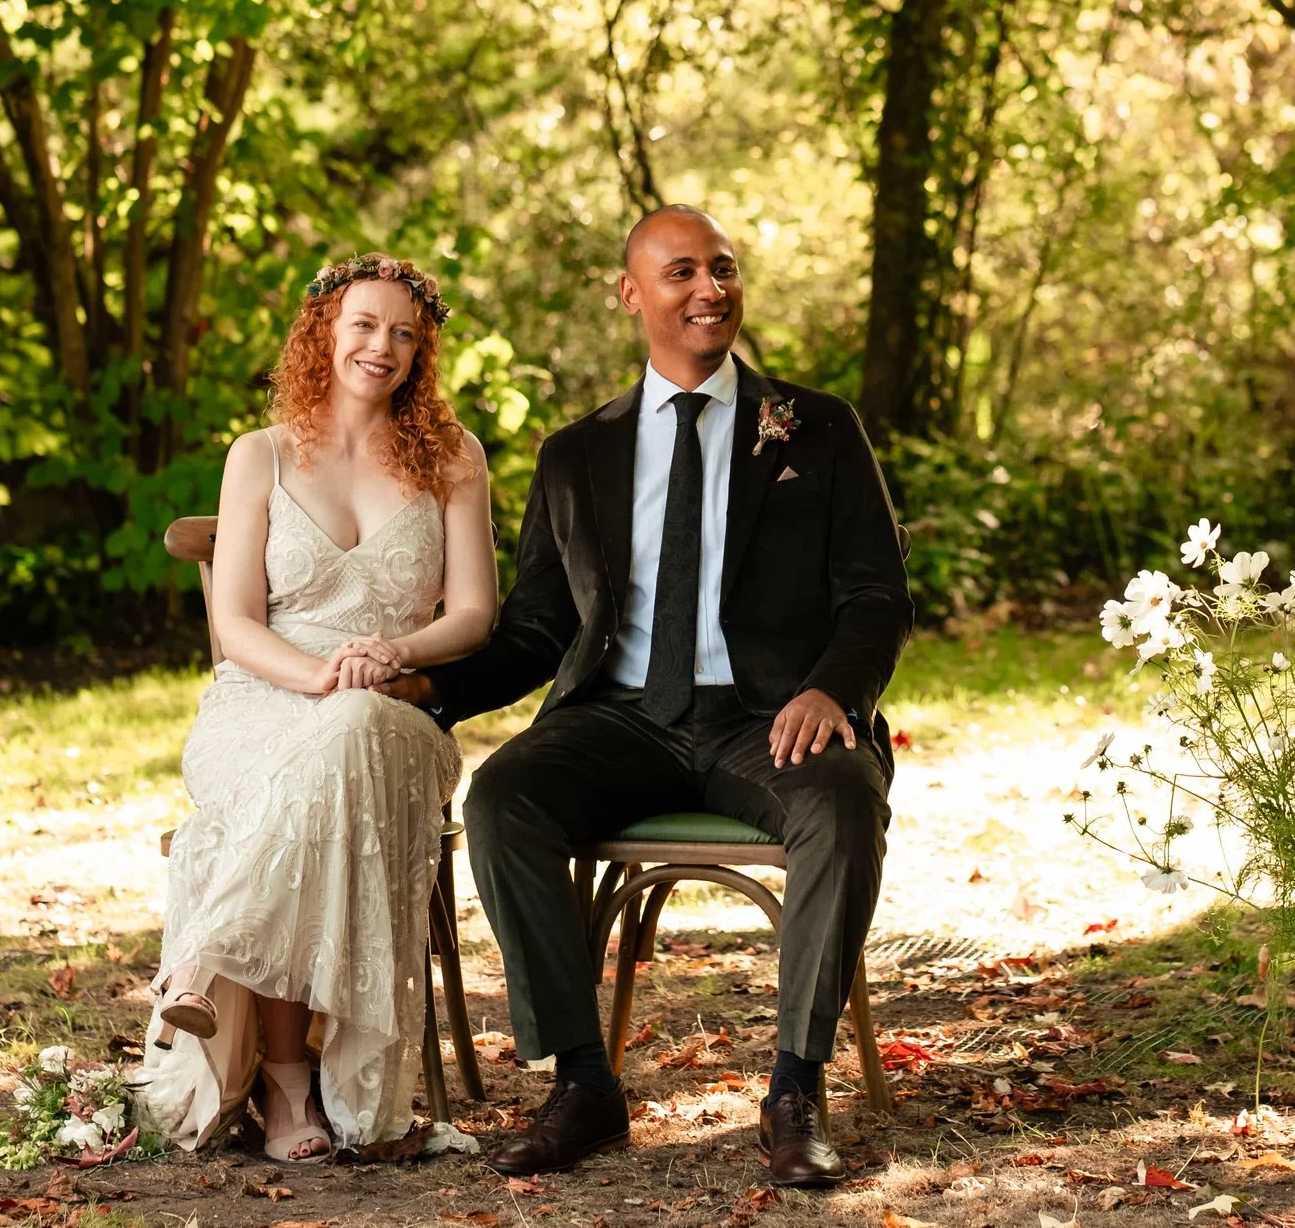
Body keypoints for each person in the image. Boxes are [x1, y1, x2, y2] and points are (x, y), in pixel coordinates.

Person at [388, 205, 910, 1187]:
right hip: (618, 719)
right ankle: (584, 1082)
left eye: (722, 267)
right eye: (681, 271)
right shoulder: (575, 454)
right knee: (507, 798)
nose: (708, 287)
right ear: (633, 294)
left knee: (842, 802)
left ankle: (794, 1089)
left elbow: (876, 593)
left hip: (769, 721)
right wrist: (434, 687)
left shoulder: (817, 426)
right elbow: (543, 627)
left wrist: (832, 688)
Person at [135, 254, 498, 1161]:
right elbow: (235, 621)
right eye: (365, 325)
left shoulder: (453, 455)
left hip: (393, 710)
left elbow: (475, 613)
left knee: (352, 729)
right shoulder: (258, 455)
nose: (384, 347)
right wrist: (315, 676)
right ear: (324, 333)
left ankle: (210, 964)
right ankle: (289, 1085)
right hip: (262, 701)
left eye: (406, 333)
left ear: (423, 350)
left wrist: (394, 653)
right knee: (327, 742)